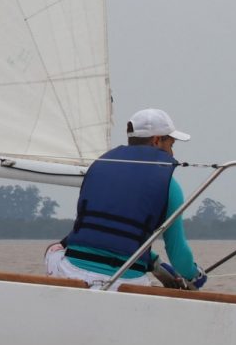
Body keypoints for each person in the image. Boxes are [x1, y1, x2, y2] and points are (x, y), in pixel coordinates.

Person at [44, 108, 207, 289]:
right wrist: (195, 276)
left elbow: (101, 234)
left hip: (71, 272)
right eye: (171, 144)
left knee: (54, 250)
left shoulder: (98, 167)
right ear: (156, 140)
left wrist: (155, 263)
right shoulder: (170, 187)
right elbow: (178, 254)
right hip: (126, 282)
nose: (172, 153)